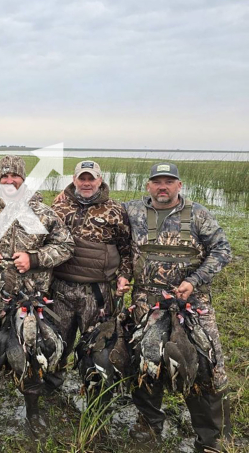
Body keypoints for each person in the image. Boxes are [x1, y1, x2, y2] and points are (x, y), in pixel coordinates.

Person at [125, 163, 232, 451]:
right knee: (147, 363)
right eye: (157, 181)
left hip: (192, 304)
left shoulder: (197, 214)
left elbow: (222, 250)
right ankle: (149, 424)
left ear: (179, 185)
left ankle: (209, 440)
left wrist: (195, 280)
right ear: (148, 185)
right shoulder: (132, 212)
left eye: (169, 181)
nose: (163, 187)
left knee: (205, 367)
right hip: (146, 303)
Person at [0, 155, 74, 424]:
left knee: (31, 354)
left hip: (29, 299)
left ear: (23, 179)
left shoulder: (44, 213)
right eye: (4, 177)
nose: (9, 181)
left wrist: (34, 259)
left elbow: (66, 247)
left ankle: (33, 412)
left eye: (14, 176)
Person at [50, 160, 132, 394]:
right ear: (74, 180)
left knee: (97, 345)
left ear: (100, 180)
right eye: (82, 178)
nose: (86, 183)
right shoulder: (58, 208)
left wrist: (124, 275)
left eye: (91, 178)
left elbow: (127, 249)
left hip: (97, 293)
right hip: (61, 289)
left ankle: (97, 393)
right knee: (57, 341)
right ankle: (51, 388)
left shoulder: (115, 210)